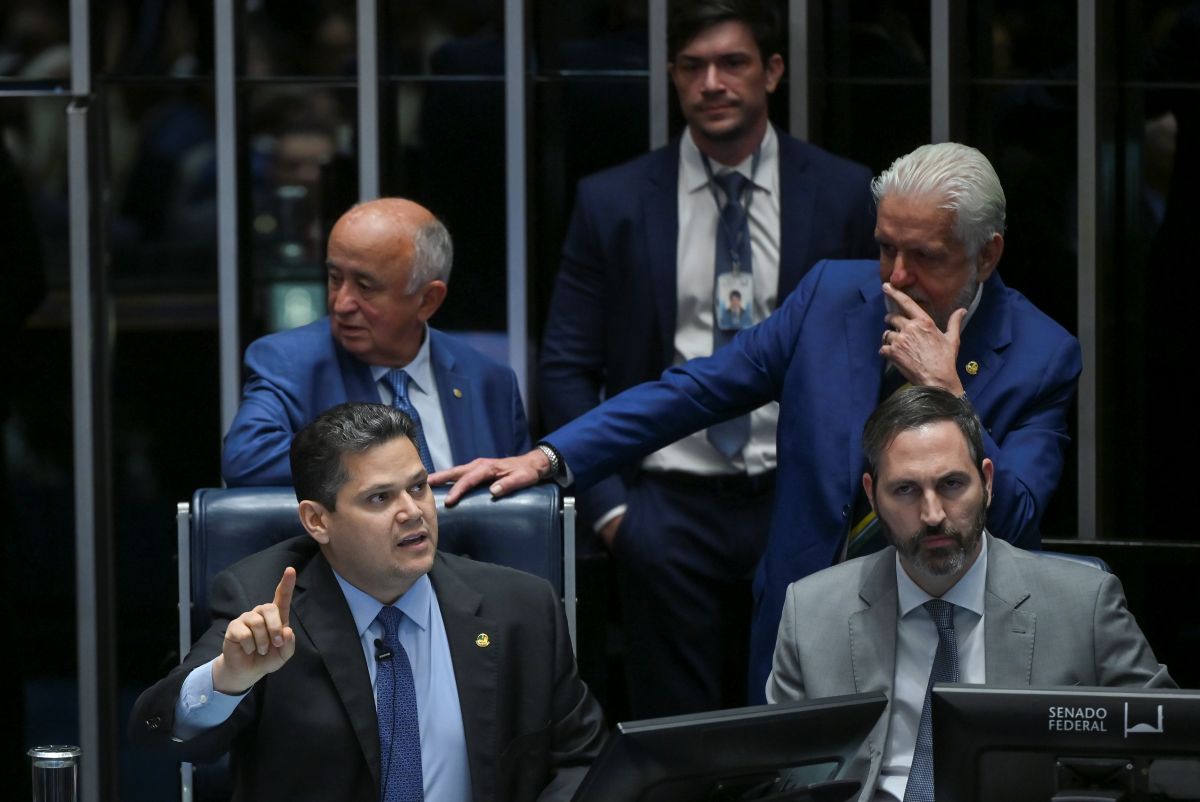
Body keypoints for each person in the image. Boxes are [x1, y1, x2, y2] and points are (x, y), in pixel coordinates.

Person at [433, 142, 1083, 703]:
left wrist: (948, 394)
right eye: (886, 248)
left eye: (926, 257)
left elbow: (1019, 519)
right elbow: (698, 390)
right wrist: (550, 458)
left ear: (987, 254)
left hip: (949, 634)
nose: (897, 277)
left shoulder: (1041, 354)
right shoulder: (833, 295)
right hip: (807, 624)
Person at [536, 0, 876, 717]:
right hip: (663, 510)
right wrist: (610, 513)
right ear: (672, 75)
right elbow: (567, 363)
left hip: (797, 495)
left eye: (733, 63)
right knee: (675, 732)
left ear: (773, 72)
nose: (712, 83)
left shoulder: (843, 193)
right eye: (692, 67)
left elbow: (873, 353)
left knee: (792, 716)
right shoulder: (615, 201)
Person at [131, 403, 606, 801]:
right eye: (380, 498)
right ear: (318, 521)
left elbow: (582, 762)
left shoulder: (521, 608)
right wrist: (227, 682)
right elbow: (156, 734)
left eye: (419, 486)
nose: (412, 511)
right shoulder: (264, 601)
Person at [766, 386, 1173, 802]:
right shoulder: (811, 611)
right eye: (905, 490)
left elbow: (1169, 747)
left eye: (952, 484)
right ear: (872, 495)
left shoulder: (1083, 602)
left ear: (987, 481)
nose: (932, 514)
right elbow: (782, 774)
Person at [222, 197, 531, 486]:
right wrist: (378, 461)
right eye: (334, 278)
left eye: (365, 287)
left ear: (427, 300)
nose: (341, 304)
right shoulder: (290, 362)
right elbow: (246, 460)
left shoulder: (489, 381)